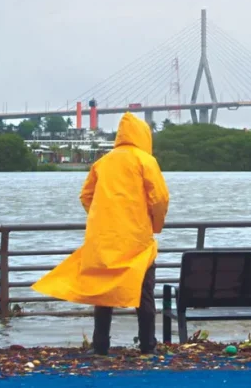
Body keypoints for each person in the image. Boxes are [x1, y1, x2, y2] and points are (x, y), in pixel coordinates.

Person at [32, 113, 169, 356]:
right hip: (137, 238)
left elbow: (86, 196)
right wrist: (154, 225)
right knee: (144, 291)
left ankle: (100, 345)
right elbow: (159, 199)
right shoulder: (146, 161)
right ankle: (148, 345)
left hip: (104, 237)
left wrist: (103, 215)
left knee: (103, 290)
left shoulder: (103, 162)